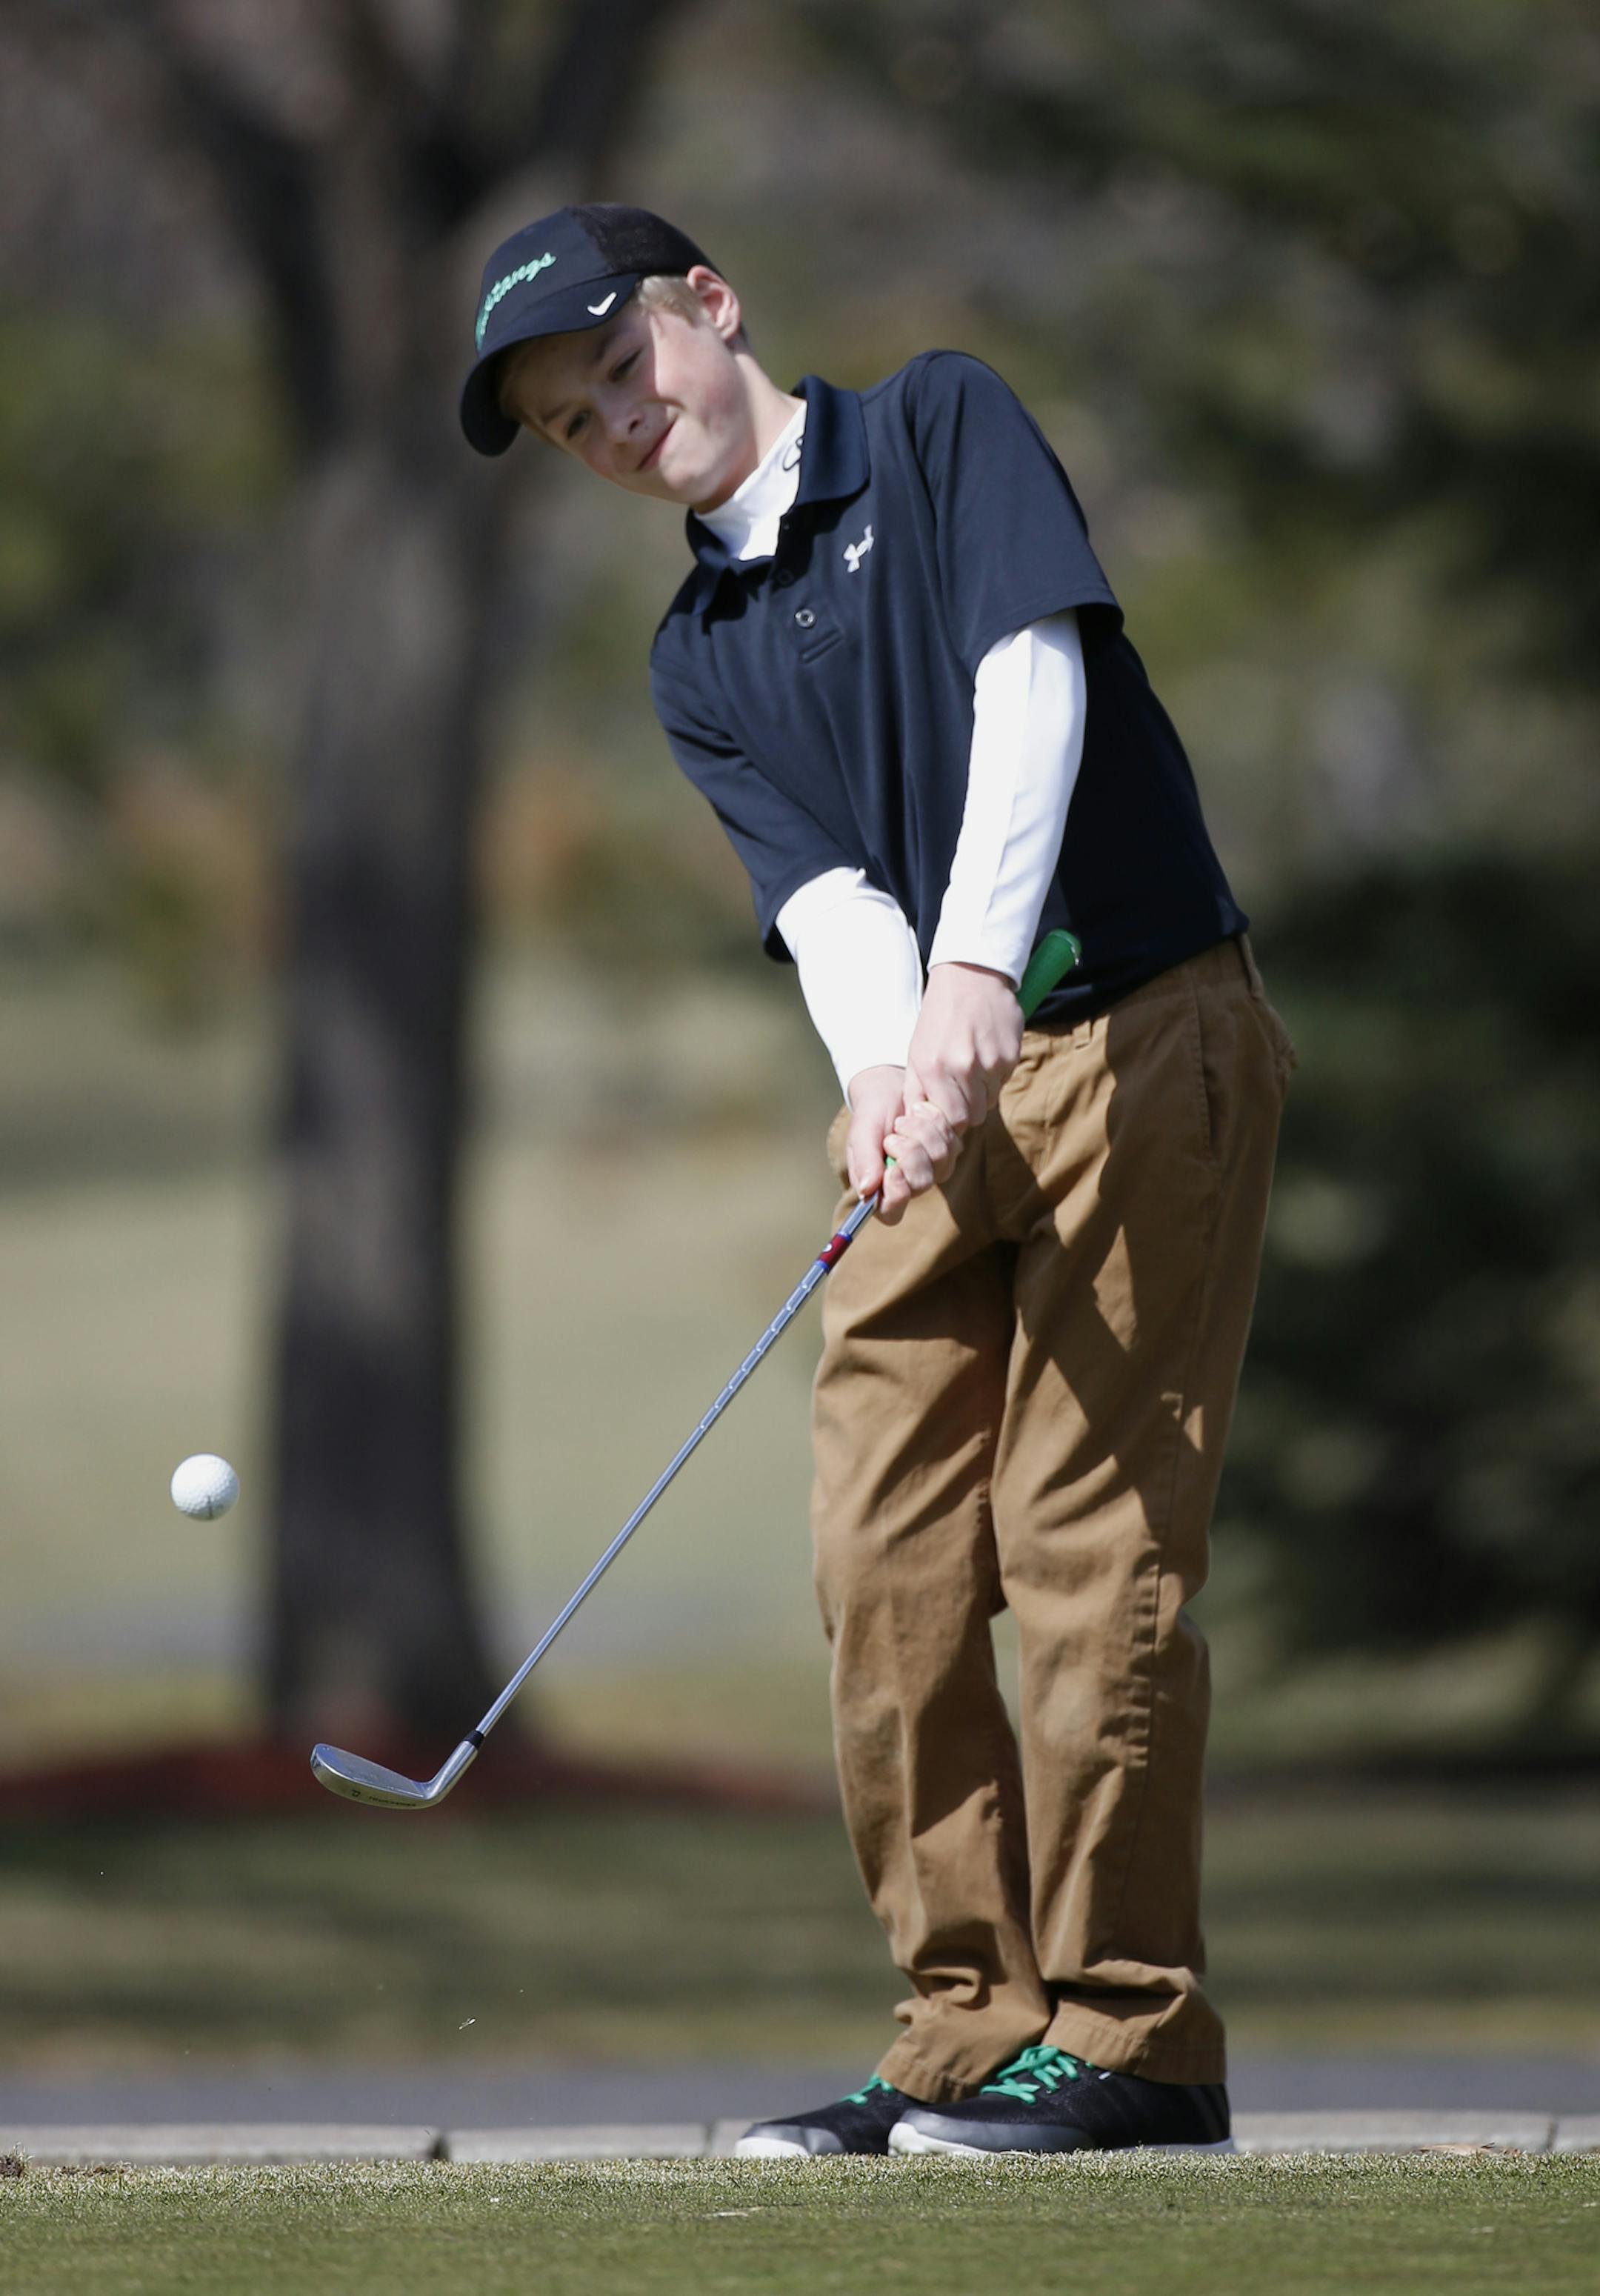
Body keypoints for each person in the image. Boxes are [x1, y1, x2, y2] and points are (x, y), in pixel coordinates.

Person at [460, 204, 1296, 2157]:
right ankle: (964, 2026)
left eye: (618, 369)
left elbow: (1032, 682)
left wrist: (980, 971)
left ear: (708, 306)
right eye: (572, 423)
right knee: (884, 1552)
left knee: (1088, 1545)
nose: (612, 423)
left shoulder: (938, 428)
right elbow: (829, 901)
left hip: (1139, 1029)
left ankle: (1130, 2039)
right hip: (937, 1081)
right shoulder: (702, 654)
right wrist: (883, 1069)